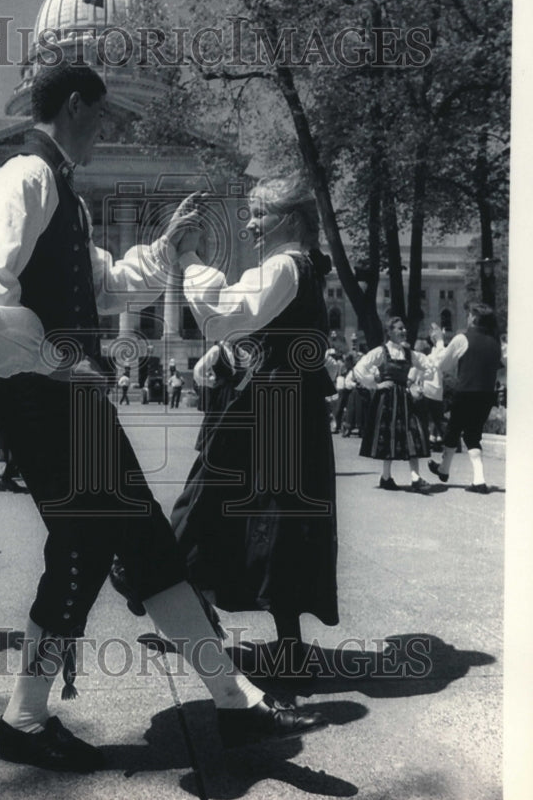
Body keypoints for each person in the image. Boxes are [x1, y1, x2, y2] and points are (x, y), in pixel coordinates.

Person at [0, 63, 326, 772]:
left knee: (144, 544)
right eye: (100, 116)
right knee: (86, 546)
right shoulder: (23, 179)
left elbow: (104, 283)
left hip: (69, 400)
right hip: (43, 399)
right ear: (74, 105)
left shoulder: (62, 193)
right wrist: (55, 359)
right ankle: (26, 720)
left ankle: (233, 700)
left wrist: (166, 249)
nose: (106, 130)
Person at [170, 172, 339, 676]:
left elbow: (228, 311)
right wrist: (229, 355)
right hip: (285, 411)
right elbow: (255, 332)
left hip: (268, 414)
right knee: (277, 517)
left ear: (288, 219)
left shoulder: (286, 266)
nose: (250, 227)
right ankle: (284, 643)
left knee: (219, 505)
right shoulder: (300, 268)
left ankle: (158, 587)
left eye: (259, 214)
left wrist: (188, 258)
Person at [427, 303, 503, 494]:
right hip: (486, 394)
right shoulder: (495, 342)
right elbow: (501, 369)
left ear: (474, 318)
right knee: (472, 434)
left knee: (454, 430)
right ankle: (459, 474)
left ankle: (459, 474)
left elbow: (443, 365)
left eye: (469, 315)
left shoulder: (463, 338)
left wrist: (439, 341)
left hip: (466, 391)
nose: (467, 318)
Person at [353, 315, 433, 492]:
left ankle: (415, 477)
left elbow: (429, 367)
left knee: (413, 433)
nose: (403, 331)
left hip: (405, 397)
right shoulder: (381, 352)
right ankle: (386, 477)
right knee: (388, 436)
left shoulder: (409, 353)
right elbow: (359, 369)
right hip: (387, 399)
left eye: (404, 328)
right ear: (389, 332)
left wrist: (416, 380)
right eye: (399, 328)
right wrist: (375, 385)